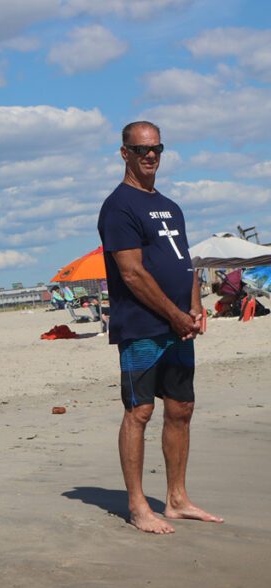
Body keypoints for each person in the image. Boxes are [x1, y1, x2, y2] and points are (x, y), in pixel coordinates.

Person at [98, 121, 222, 534]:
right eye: (141, 149)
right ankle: (137, 506)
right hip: (141, 327)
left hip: (178, 326)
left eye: (156, 149)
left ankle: (177, 499)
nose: (150, 155)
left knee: (181, 408)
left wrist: (194, 307)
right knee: (140, 411)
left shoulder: (171, 206)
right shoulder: (119, 207)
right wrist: (173, 314)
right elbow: (131, 273)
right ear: (125, 153)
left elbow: (185, 262)